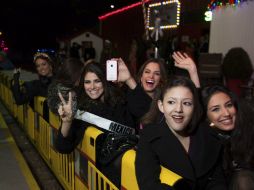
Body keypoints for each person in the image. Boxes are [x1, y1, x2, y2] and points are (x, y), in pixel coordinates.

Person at [135, 76, 227, 190]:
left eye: (187, 103)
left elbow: (217, 182)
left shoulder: (208, 136)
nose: (178, 109)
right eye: (171, 102)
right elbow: (149, 185)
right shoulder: (149, 137)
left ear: (194, 107)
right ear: (161, 106)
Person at [54, 61, 136, 187]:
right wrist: (67, 122)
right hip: (108, 175)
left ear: (104, 81)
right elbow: (62, 147)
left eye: (97, 81)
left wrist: (130, 80)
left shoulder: (120, 100)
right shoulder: (82, 111)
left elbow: (146, 114)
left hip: (131, 159)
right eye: (87, 82)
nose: (92, 86)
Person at [117, 51, 200, 130]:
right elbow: (141, 107)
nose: (151, 76)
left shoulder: (165, 101)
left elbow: (195, 105)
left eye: (156, 73)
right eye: (147, 72)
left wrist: (193, 71)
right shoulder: (130, 96)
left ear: (161, 79)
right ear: (141, 77)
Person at [201, 85, 254, 189]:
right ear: (205, 116)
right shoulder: (205, 137)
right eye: (216, 109)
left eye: (229, 105)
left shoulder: (248, 128)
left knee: (243, 178)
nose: (226, 113)